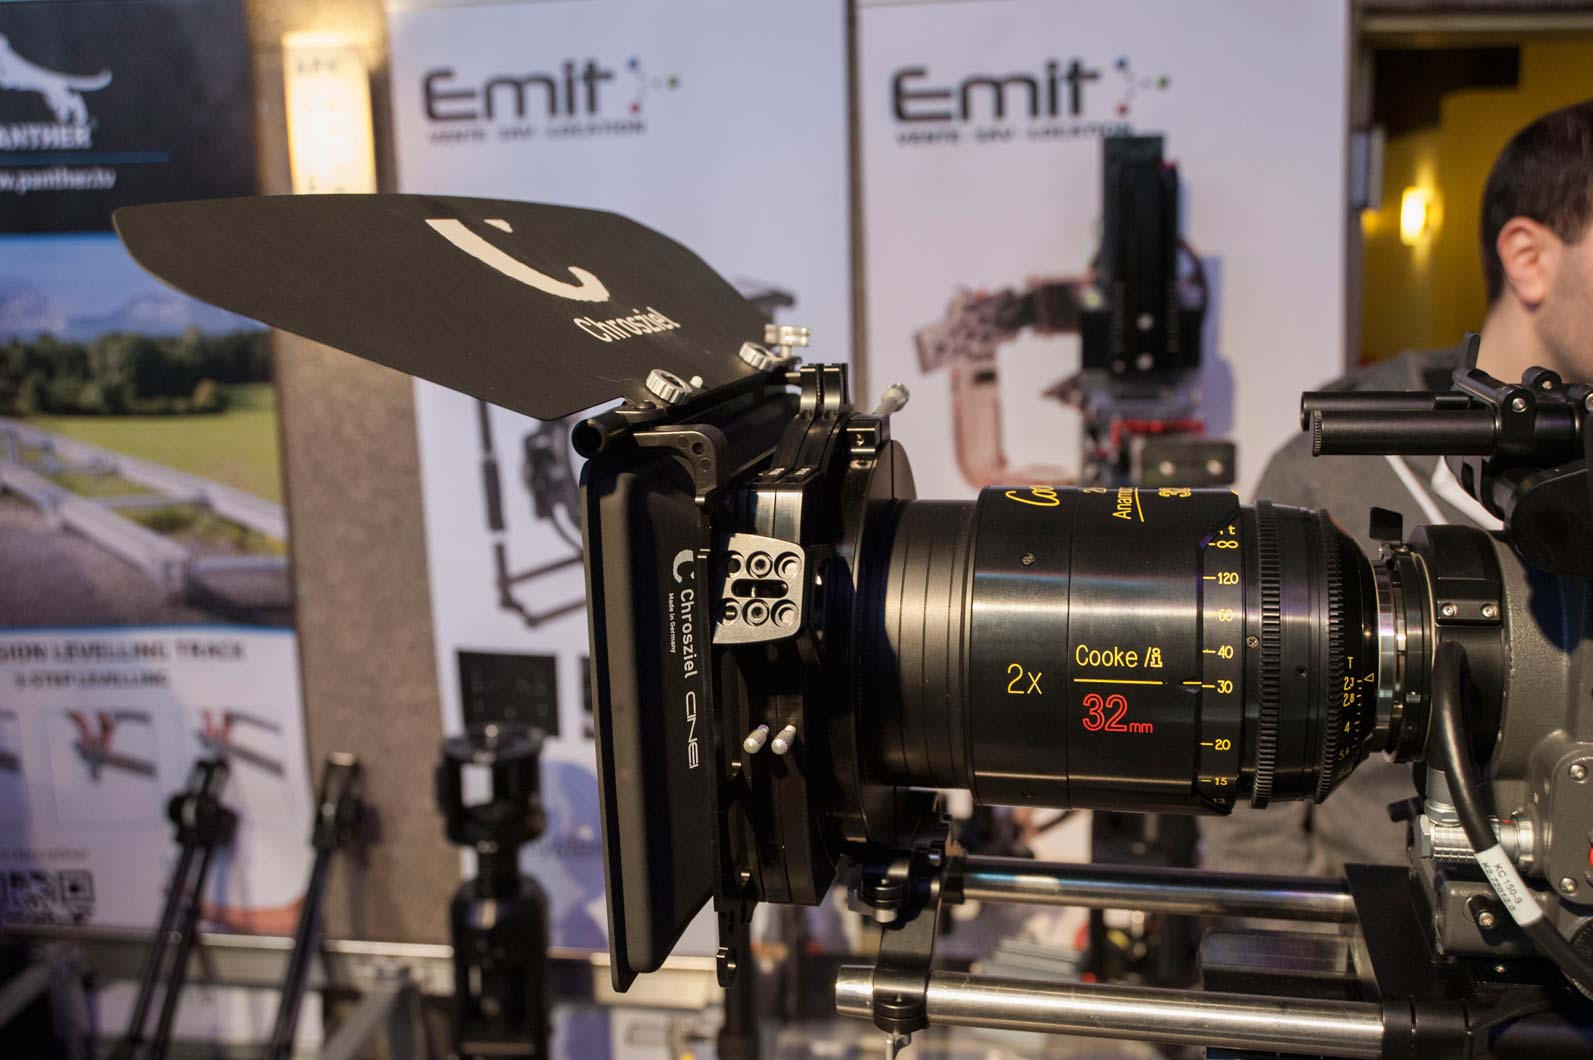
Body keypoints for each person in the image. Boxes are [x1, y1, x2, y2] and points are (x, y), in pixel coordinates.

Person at [1200, 99, 1593, 876]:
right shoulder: (1331, 472)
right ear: (1527, 257)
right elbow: (1247, 791)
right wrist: (1340, 938)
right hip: (1380, 933)